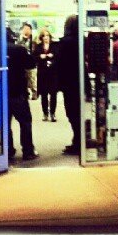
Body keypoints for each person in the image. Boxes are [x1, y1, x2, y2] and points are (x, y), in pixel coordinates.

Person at [6, 28, 39, 161]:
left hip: (2, 92)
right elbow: (31, 64)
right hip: (18, 90)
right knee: (25, 122)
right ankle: (28, 150)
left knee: (5, 124)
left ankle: (8, 150)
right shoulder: (19, 49)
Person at [54, 14, 81, 155]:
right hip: (80, 81)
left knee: (72, 112)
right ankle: (79, 141)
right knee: (79, 112)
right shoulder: (81, 40)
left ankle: (77, 142)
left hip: (69, 82)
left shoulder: (65, 42)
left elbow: (59, 63)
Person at [32, 28, 58, 121]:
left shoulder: (55, 45)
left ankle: (53, 113)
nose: (46, 37)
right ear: (41, 38)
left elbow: (59, 56)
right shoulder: (38, 47)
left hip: (53, 73)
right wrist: (40, 56)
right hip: (42, 73)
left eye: (47, 35)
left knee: (53, 94)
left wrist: (53, 57)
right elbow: (34, 58)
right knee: (44, 94)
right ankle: (45, 113)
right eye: (44, 36)